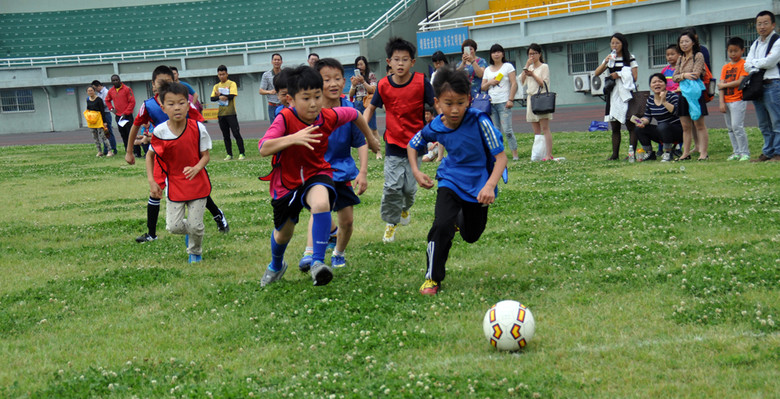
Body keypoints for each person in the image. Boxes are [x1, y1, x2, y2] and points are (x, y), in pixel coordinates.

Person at [258, 65, 377, 287]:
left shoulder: (328, 116)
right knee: (283, 235)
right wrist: (293, 138)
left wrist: (370, 140)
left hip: (316, 174)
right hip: (286, 183)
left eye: (317, 96)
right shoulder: (284, 118)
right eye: (306, 98)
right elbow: (264, 147)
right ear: (291, 100)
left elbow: (356, 114)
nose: (313, 103)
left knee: (321, 203)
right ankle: (276, 265)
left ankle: (317, 263)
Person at [408, 66, 507, 295]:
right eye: (448, 103)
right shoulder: (435, 126)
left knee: (471, 236)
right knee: (440, 226)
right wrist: (416, 171)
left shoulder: (480, 121)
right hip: (450, 179)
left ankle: (458, 218)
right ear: (437, 103)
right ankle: (432, 278)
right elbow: (413, 145)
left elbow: (500, 158)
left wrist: (490, 185)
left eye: (461, 103)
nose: (455, 110)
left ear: (469, 100)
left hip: (479, 184)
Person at [127, 65, 229, 243]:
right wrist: (129, 151)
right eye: (161, 82)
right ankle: (152, 233)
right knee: (155, 191)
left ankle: (217, 215)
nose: (166, 85)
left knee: (195, 189)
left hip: (185, 154)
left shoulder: (183, 103)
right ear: (153, 85)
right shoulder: (148, 105)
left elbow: (197, 121)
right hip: (162, 155)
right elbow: (136, 125)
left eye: (170, 81)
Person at [297, 58, 370, 270]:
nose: (333, 84)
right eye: (326, 79)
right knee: (319, 209)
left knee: (346, 221)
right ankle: (310, 253)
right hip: (318, 172)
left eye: (337, 78)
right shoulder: (312, 112)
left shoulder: (350, 111)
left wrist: (362, 171)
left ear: (345, 81)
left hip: (343, 171)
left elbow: (361, 142)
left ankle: (338, 251)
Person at [363, 37, 435, 244]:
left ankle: (405, 209)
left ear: (413, 62)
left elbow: (437, 106)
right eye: (396, 59)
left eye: (405, 59)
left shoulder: (422, 82)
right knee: (392, 187)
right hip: (393, 143)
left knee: (409, 189)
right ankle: (390, 225)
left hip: (416, 144)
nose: (400, 63)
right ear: (389, 62)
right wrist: (365, 131)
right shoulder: (384, 85)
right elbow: (370, 108)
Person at [146, 82, 212, 264]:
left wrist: (197, 168)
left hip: (198, 184)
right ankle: (192, 229)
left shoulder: (199, 129)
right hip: (175, 185)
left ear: (188, 105)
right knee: (173, 227)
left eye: (181, 103)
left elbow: (205, 155)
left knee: (196, 226)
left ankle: (195, 252)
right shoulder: (160, 131)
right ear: (163, 107)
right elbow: (150, 156)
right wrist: (152, 181)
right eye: (171, 103)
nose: (177, 108)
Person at [594, 33, 638, 161]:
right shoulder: (609, 58)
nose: (614, 45)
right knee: (615, 126)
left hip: (627, 93)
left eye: (617, 43)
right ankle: (615, 154)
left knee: (631, 125)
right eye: (612, 43)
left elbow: (634, 77)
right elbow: (597, 73)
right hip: (613, 94)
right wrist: (605, 63)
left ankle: (631, 154)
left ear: (623, 44)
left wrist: (619, 75)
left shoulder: (630, 57)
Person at [745, 10, 780, 162]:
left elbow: (770, 62)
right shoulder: (756, 43)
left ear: (773, 24)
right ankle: (768, 151)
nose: (762, 26)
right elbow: (746, 64)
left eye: (766, 23)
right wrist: (756, 65)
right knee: (764, 122)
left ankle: (778, 152)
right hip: (758, 85)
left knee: (777, 120)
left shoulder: (777, 41)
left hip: (773, 84)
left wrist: (755, 65)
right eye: (759, 24)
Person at [673, 29, 710, 161]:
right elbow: (674, 77)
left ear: (693, 42)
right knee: (685, 126)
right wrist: (684, 75)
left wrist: (682, 76)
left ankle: (703, 153)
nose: (683, 44)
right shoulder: (680, 58)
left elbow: (696, 74)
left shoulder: (698, 55)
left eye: (686, 41)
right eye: (681, 42)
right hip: (683, 94)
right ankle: (685, 153)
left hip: (695, 94)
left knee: (699, 125)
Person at [633, 73, 683, 162]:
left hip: (677, 131)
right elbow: (647, 117)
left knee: (662, 125)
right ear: (650, 86)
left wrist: (664, 101)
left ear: (665, 84)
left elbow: (677, 112)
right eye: (654, 82)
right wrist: (641, 122)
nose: (657, 84)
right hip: (662, 131)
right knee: (639, 129)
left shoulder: (672, 96)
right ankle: (649, 153)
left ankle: (668, 153)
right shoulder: (650, 99)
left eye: (660, 81)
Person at [481, 43, 518, 161]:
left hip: (504, 103)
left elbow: (514, 83)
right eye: (493, 52)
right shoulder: (487, 69)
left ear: (502, 53)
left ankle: (515, 154)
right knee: (496, 131)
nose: (496, 54)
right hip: (491, 104)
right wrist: (490, 82)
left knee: (507, 130)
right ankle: (499, 156)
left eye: (498, 52)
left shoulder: (508, 66)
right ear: (490, 55)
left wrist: (510, 99)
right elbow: (483, 87)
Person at [520, 43, 554, 161]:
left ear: (539, 54)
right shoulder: (529, 67)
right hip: (531, 99)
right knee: (536, 130)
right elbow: (522, 81)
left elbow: (543, 83)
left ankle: (548, 154)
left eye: (534, 53)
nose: (532, 56)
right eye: (530, 54)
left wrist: (533, 74)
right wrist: (527, 67)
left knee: (545, 127)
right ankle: (539, 153)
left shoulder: (544, 67)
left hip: (541, 98)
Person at [718, 37, 750, 161]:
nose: (733, 54)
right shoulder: (725, 67)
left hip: (738, 99)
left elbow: (740, 81)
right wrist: (721, 102)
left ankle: (744, 152)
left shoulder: (744, 64)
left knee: (737, 126)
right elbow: (720, 86)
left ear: (742, 50)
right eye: (730, 51)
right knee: (730, 128)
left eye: (735, 51)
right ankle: (736, 151)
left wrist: (724, 85)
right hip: (727, 100)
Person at [210, 65, 245, 161]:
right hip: (221, 114)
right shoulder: (216, 86)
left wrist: (220, 95)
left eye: (223, 74)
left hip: (231, 113)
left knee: (236, 133)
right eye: (220, 74)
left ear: (227, 74)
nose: (222, 76)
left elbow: (231, 95)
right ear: (218, 75)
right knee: (225, 135)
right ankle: (229, 154)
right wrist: (220, 97)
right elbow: (212, 98)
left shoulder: (231, 83)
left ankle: (242, 153)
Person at [349, 56, 380, 158]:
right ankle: (362, 153)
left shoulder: (371, 75)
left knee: (373, 128)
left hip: (368, 102)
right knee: (360, 129)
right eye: (358, 65)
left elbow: (372, 90)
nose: (360, 67)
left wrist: (363, 82)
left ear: (366, 65)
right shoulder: (355, 77)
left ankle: (378, 152)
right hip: (357, 102)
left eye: (361, 64)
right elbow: (351, 94)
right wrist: (354, 85)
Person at [105, 74, 138, 158]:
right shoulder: (111, 91)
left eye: (117, 80)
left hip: (127, 116)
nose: (115, 81)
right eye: (113, 80)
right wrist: (111, 109)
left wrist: (126, 112)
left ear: (119, 80)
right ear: (111, 82)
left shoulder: (127, 89)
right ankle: (127, 151)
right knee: (123, 134)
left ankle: (135, 151)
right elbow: (107, 100)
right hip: (119, 117)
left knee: (130, 133)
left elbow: (132, 102)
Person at [91, 80, 118, 155]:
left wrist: (97, 104)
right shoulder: (99, 93)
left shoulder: (106, 92)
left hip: (106, 113)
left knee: (108, 131)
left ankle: (113, 148)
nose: (94, 90)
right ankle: (107, 148)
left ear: (98, 86)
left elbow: (106, 103)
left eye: (94, 88)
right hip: (100, 114)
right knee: (103, 132)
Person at [85, 86, 113, 158]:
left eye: (91, 90)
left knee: (103, 136)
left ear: (94, 91)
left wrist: (104, 121)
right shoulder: (88, 100)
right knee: (95, 137)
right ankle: (99, 151)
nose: (90, 92)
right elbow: (88, 109)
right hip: (91, 120)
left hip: (98, 119)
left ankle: (109, 150)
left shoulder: (99, 99)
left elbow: (102, 111)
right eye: (89, 91)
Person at [259, 53, 284, 121]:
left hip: (283, 105)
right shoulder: (266, 75)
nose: (276, 61)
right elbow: (261, 91)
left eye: (278, 60)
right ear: (272, 62)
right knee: (274, 127)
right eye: (275, 60)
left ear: (281, 62)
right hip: (272, 105)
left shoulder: (285, 74)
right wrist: (270, 92)